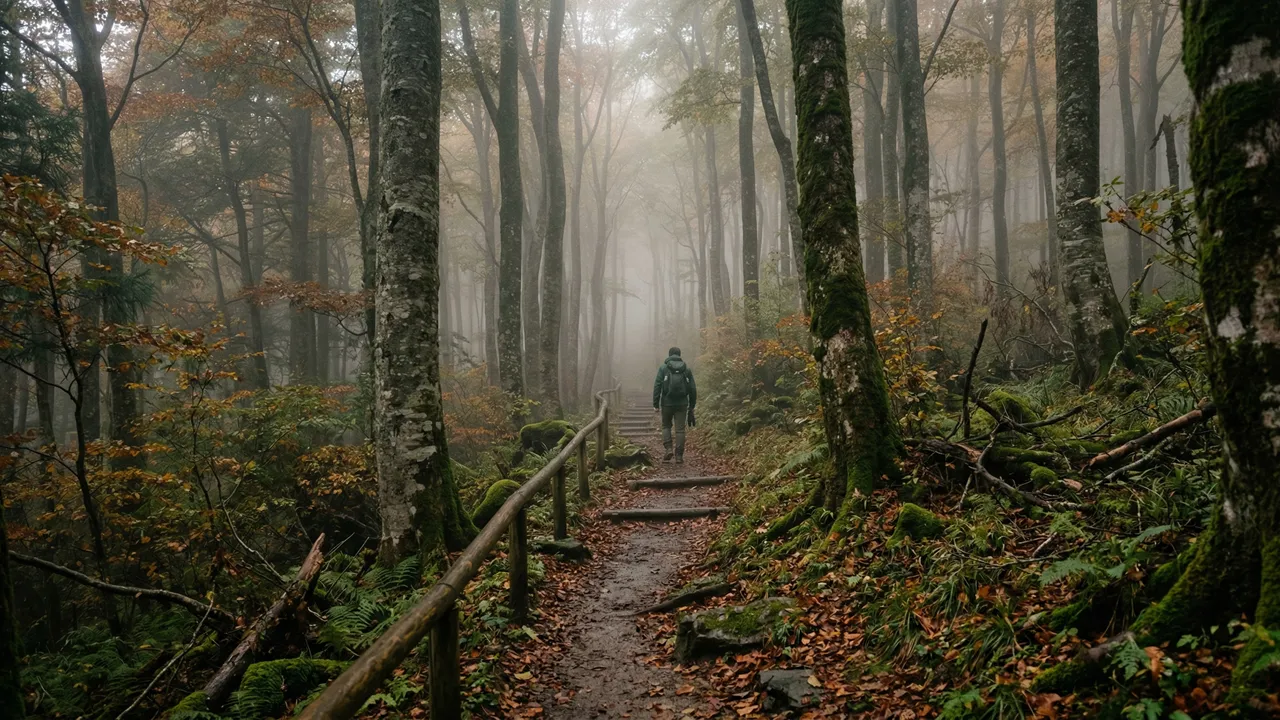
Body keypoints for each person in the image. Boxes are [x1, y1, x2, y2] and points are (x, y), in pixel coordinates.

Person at [652, 347, 697, 463]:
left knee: (666, 426)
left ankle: (668, 449)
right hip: (682, 403)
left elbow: (657, 385)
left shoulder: (663, 368)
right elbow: (692, 388)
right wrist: (692, 406)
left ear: (669, 355)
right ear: (679, 355)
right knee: (680, 430)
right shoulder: (686, 369)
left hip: (666, 403)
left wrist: (656, 403)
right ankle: (679, 456)